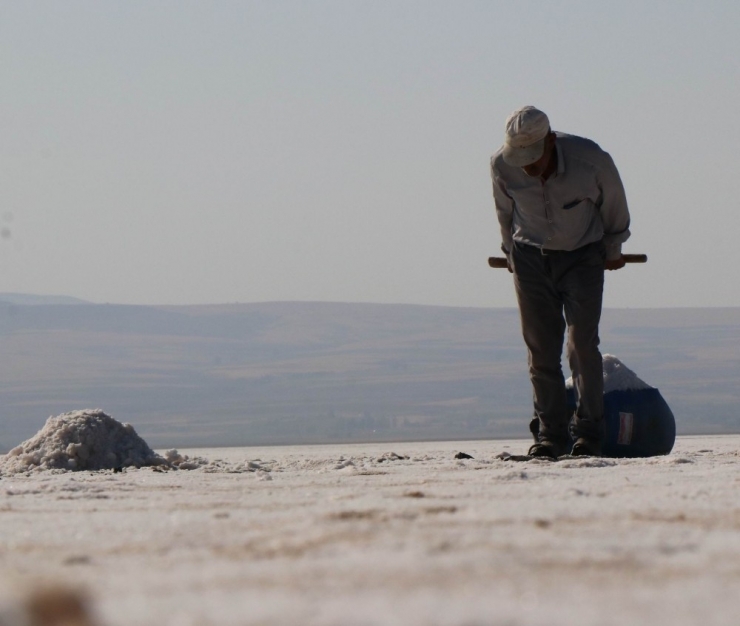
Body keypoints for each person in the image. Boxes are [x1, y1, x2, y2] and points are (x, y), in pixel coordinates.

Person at [490, 106, 631, 458]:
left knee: (581, 344)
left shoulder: (591, 161)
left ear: (550, 142)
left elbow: (614, 206)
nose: (527, 167)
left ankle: (588, 433)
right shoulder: (500, 166)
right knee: (541, 351)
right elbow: (505, 212)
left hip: (583, 254)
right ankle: (550, 435)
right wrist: (510, 253)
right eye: (520, 159)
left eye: (533, 159)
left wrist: (613, 248)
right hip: (529, 257)